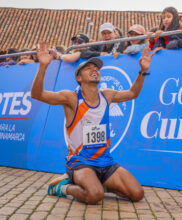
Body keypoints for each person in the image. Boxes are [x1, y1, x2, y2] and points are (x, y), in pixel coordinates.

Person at [31, 41, 153, 204]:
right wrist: (43, 66)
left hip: (105, 162)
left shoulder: (107, 96)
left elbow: (132, 93)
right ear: (79, 78)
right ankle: (61, 187)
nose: (95, 69)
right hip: (81, 162)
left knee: (137, 194)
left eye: (96, 68)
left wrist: (143, 71)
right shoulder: (71, 98)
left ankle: (99, 184)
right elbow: (37, 94)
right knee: (94, 196)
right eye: (89, 68)